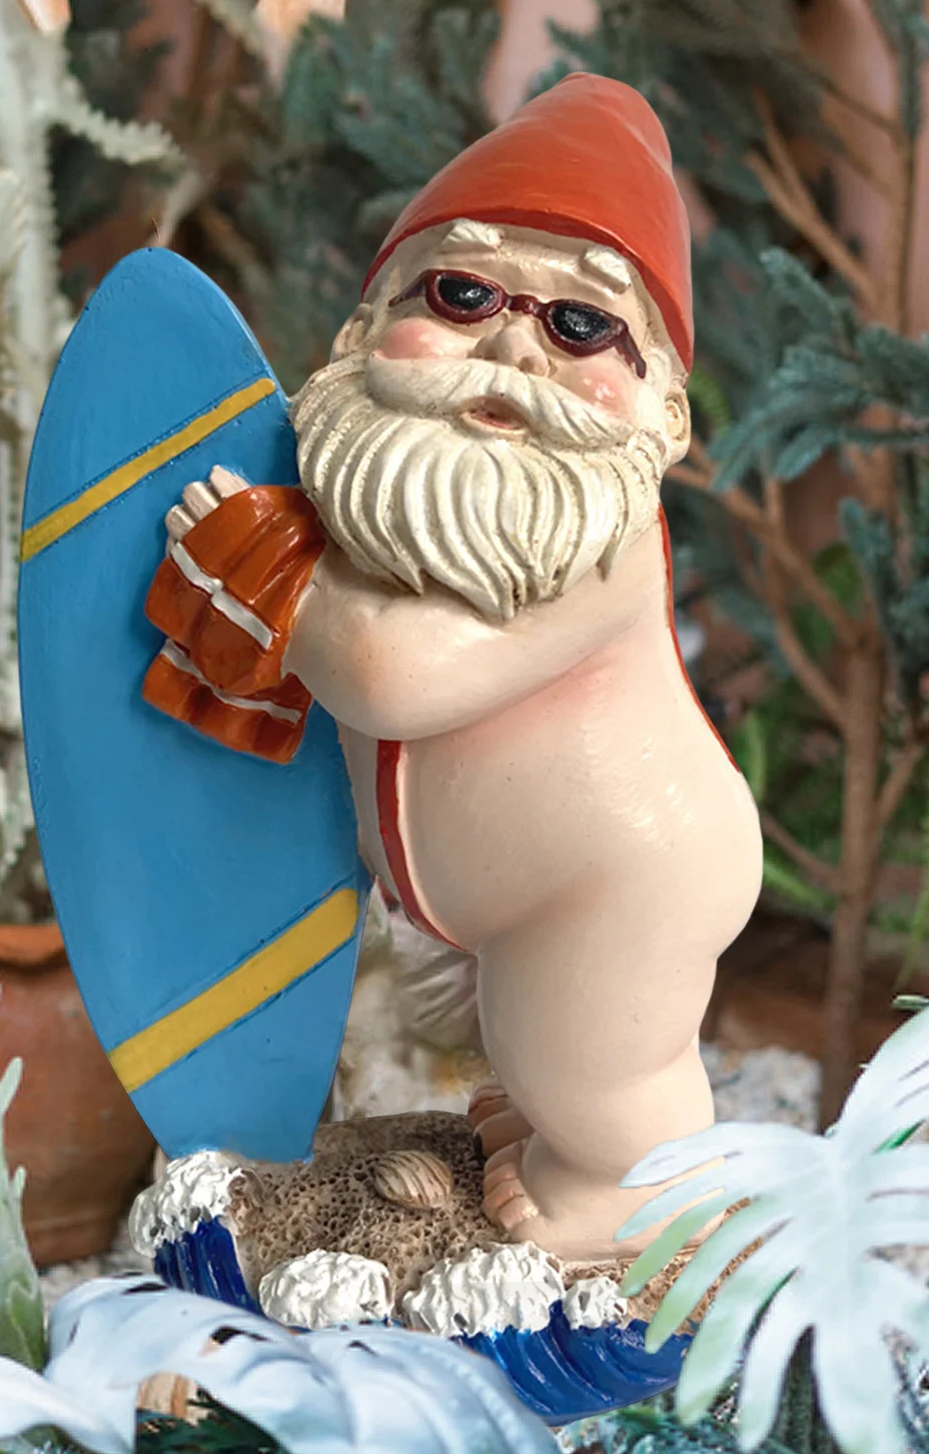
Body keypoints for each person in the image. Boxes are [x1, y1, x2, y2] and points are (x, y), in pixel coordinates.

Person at [141, 73, 763, 1264]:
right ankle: (561, 1130)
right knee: (537, 1046)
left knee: (596, 1066)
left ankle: (635, 1188)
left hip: (616, 871)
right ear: (360, 333)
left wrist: (273, 580)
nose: (512, 345)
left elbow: (392, 674)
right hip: (511, 891)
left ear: (665, 415)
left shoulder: (597, 541)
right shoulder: (384, 494)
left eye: (579, 325)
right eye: (463, 293)